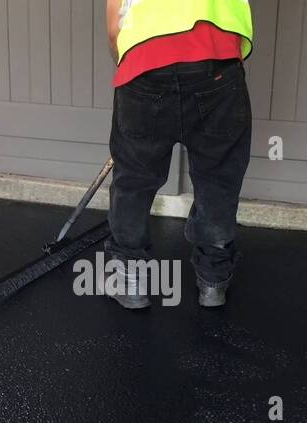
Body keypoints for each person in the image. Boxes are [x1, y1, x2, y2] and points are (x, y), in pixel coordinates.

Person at [105, 0, 254, 309]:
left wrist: (134, 73)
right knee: (218, 179)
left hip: (145, 66)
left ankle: (131, 281)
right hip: (216, 63)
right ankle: (212, 282)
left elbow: (113, 30)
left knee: (133, 181)